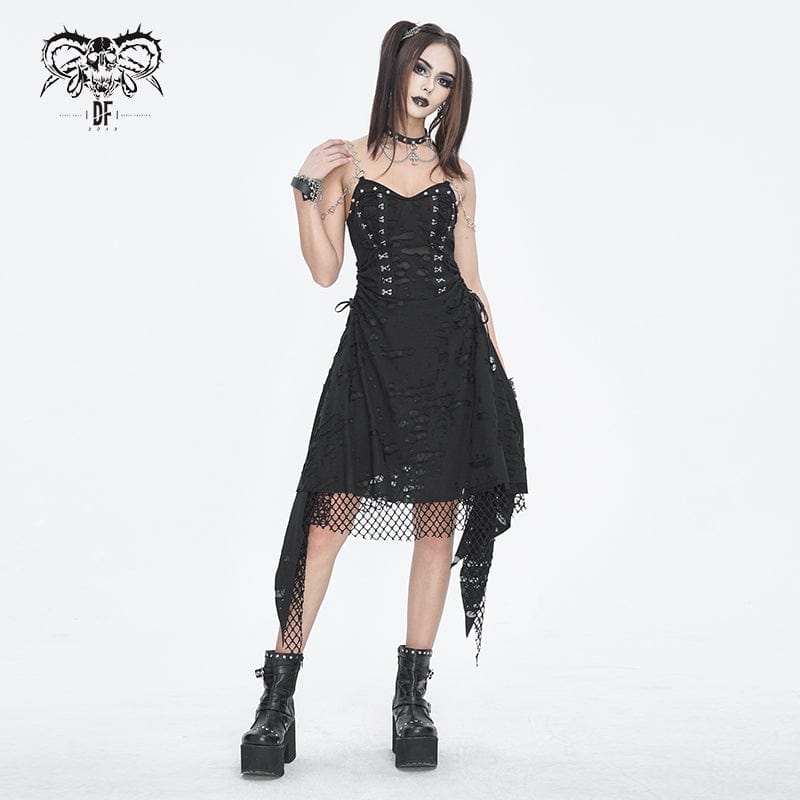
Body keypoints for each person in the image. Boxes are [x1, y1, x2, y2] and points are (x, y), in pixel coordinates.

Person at [240, 20, 528, 777]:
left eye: (445, 81)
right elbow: (324, 270)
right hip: (370, 362)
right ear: (397, 68)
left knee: (437, 529)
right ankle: (277, 697)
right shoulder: (348, 160)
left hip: (448, 363)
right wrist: (304, 187)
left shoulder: (458, 175)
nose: (430, 89)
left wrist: (499, 381)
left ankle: (411, 699)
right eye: (422, 71)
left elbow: (471, 279)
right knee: (325, 528)